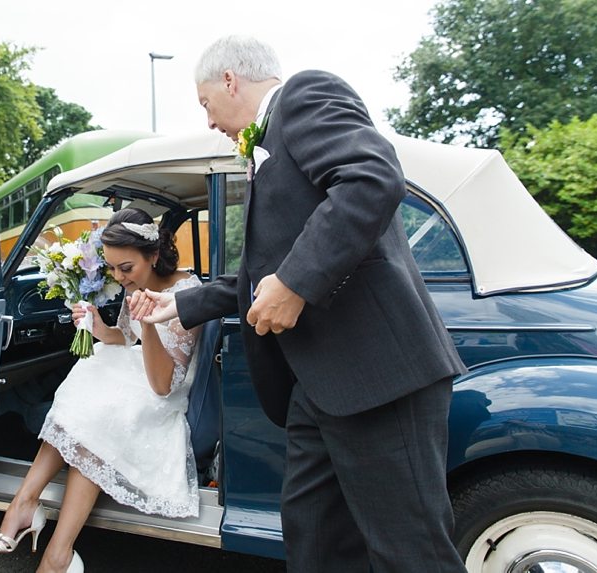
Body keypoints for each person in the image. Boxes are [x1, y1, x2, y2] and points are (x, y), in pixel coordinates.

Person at [129, 35, 468, 572]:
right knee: (312, 539)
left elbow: (372, 177)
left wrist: (297, 283)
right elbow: (262, 272)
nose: (210, 121)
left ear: (230, 81)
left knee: (409, 550)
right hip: (318, 387)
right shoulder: (263, 147)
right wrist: (183, 305)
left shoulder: (305, 96)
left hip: (376, 374)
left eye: (205, 104)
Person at [0, 207, 202, 573]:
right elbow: (124, 337)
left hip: (161, 388)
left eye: (125, 269)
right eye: (112, 268)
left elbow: (164, 383)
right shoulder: (133, 283)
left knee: (99, 416)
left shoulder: (188, 291)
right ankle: (25, 501)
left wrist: (147, 323)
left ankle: (57, 551)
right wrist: (99, 327)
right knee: (89, 373)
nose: (118, 278)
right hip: (135, 371)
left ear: (154, 255)